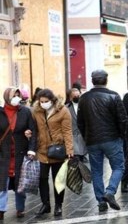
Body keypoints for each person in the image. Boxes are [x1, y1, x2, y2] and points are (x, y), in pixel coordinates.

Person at [77, 70, 127, 212]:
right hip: (112, 138)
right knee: (118, 167)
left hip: (92, 140)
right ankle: (110, 192)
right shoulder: (113, 96)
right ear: (106, 80)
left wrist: (86, 136)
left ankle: (101, 201)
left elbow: (80, 122)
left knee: (97, 171)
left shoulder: (84, 98)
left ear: (93, 81)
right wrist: (121, 135)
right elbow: (122, 119)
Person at [33, 89, 74, 217]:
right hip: (42, 150)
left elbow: (67, 132)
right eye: (41, 102)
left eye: (46, 101)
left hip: (57, 150)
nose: (44, 104)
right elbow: (33, 128)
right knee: (42, 179)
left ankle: (58, 205)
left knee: (58, 180)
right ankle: (45, 204)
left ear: (52, 100)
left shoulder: (63, 111)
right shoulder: (36, 111)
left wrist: (70, 151)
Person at [0, 87, 36, 220]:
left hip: (21, 152)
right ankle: (1, 209)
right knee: (2, 182)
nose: (16, 97)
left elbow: (33, 131)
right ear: (7, 97)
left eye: (17, 95)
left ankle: (20, 208)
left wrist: (32, 149)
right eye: (13, 95)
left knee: (20, 182)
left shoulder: (25, 112)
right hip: (3, 154)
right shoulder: (1, 112)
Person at [66, 88, 87, 162]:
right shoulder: (66, 108)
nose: (76, 97)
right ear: (70, 97)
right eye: (74, 96)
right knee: (76, 158)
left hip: (83, 135)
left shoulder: (85, 105)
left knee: (81, 156)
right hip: (72, 136)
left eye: (78, 95)